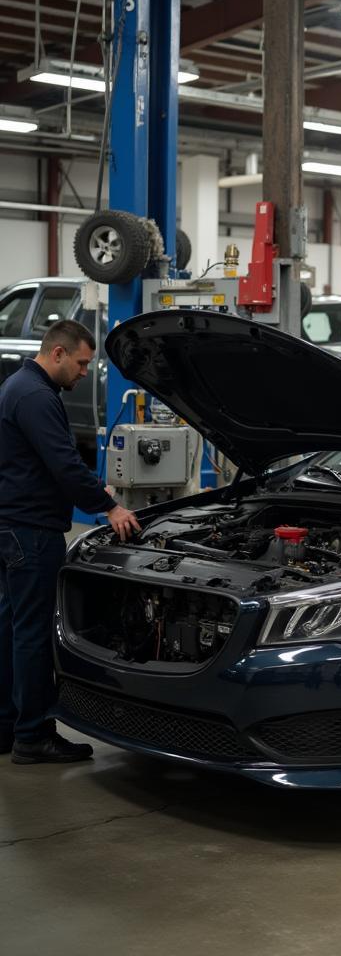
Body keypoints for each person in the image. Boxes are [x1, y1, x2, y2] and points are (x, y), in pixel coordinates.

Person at [0, 319, 140, 764]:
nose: (85, 372)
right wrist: (109, 505)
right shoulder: (37, 397)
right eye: (81, 363)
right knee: (34, 635)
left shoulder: (15, 387)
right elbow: (62, 464)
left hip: (10, 525)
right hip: (31, 532)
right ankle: (34, 734)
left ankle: (7, 726)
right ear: (57, 354)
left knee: (9, 630)